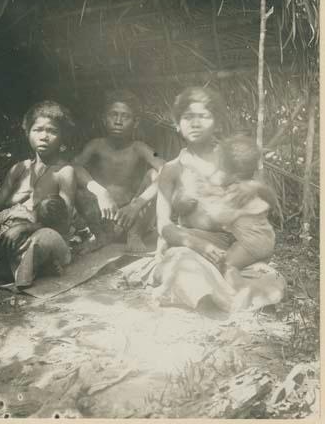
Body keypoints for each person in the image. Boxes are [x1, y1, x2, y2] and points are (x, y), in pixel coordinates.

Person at [153, 87, 285, 312]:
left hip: (235, 245)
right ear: (177, 124)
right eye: (187, 117)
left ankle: (227, 295)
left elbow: (269, 199)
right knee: (181, 261)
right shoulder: (171, 170)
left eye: (203, 116)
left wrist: (254, 185)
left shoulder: (233, 159)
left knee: (266, 275)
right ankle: (219, 299)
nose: (195, 123)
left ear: (217, 123)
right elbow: (164, 225)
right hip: (194, 245)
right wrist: (198, 244)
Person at [0, 101, 75, 288]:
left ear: (62, 137)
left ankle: (17, 269)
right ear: (28, 133)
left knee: (42, 239)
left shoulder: (64, 171)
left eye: (52, 131)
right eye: (38, 130)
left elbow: (64, 219)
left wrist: (27, 228)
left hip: (45, 237)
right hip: (12, 242)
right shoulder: (19, 169)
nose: (44, 136)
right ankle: (24, 269)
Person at [74, 90, 165, 253]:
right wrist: (100, 192)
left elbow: (166, 168)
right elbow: (73, 167)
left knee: (154, 175)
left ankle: (135, 234)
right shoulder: (96, 145)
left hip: (131, 216)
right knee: (76, 181)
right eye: (113, 115)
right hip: (102, 215)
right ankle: (100, 236)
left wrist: (137, 204)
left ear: (135, 122)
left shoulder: (140, 147)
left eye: (125, 116)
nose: (118, 121)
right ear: (104, 119)